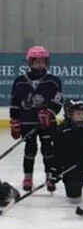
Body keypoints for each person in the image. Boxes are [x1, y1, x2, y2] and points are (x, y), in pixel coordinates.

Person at [9, 46, 63, 192]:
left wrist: (50, 113)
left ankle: (50, 176)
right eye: (36, 62)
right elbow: (15, 102)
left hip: (47, 124)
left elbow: (58, 101)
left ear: (47, 63)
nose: (40, 65)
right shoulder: (20, 81)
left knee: (48, 150)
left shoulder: (54, 81)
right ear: (30, 63)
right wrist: (15, 120)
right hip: (28, 122)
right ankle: (28, 177)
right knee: (30, 150)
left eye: (43, 62)